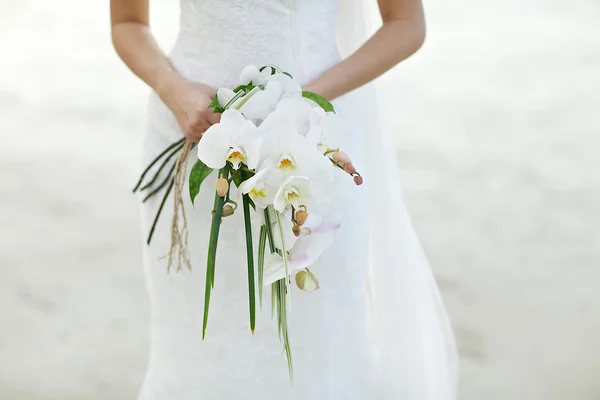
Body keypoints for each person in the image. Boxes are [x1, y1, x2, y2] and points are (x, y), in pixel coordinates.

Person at [111, 0, 458, 398]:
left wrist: (302, 102)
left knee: (315, 335)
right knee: (196, 340)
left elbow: (406, 25)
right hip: (192, 137)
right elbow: (127, 22)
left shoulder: (310, 122)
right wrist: (171, 88)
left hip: (311, 144)